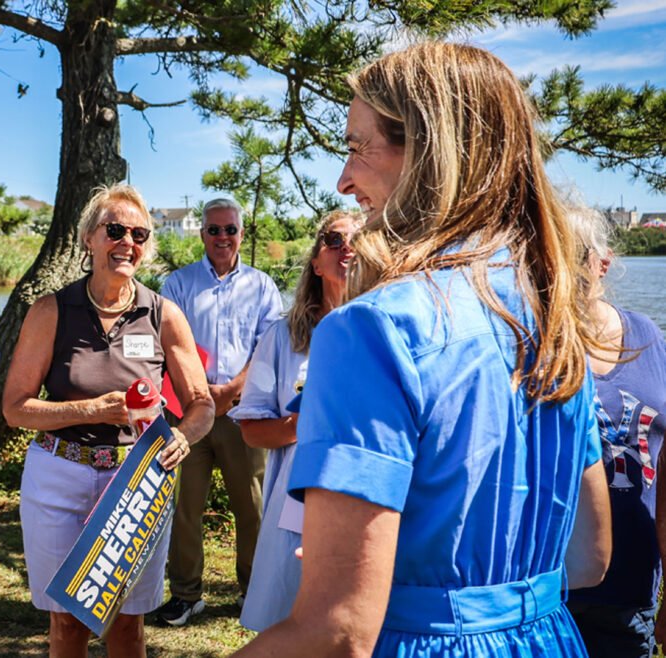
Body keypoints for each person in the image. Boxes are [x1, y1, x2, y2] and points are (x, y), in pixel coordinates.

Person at [234, 42, 611, 656]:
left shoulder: (371, 330)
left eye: (358, 146)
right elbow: (590, 556)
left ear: (430, 153)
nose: (344, 179)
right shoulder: (551, 322)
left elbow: (338, 632)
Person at [2, 183, 215, 657]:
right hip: (59, 475)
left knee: (127, 626)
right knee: (66, 624)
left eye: (139, 234)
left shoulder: (163, 314)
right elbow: (15, 408)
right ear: (89, 239)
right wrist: (91, 410)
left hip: (136, 480)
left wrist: (182, 436)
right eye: (115, 229)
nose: (128, 242)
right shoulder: (51, 310)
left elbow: (202, 403)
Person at [231, 210, 362, 631]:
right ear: (316, 261)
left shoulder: (390, 333)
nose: (346, 249)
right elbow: (251, 430)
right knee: (293, 626)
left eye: (356, 240)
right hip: (296, 506)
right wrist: (301, 424)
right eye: (334, 240)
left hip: (370, 498)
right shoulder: (281, 338)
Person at [155, 197, 283, 626]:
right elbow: (167, 346)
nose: (222, 237)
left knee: (252, 510)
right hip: (189, 416)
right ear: (202, 234)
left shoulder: (263, 287)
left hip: (244, 416)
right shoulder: (177, 284)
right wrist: (200, 397)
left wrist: (229, 391)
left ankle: (253, 592)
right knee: (184, 508)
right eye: (214, 230)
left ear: (241, 233)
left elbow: (268, 348)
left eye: (230, 229)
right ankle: (187, 595)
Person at [566, 207, 666, 658]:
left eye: (570, 254)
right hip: (548, 595)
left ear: (601, 263)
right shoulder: (526, 343)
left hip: (631, 594)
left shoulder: (649, 339)